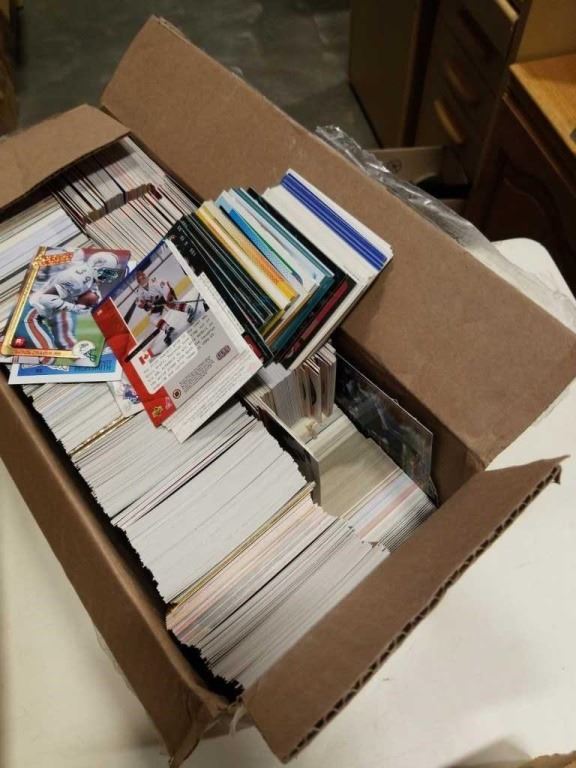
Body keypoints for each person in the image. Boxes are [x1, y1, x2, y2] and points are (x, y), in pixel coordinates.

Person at [26, 251, 120, 352]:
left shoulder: (87, 274)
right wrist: (74, 308)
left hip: (45, 310)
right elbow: (45, 299)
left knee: (64, 337)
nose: (107, 277)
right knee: (48, 353)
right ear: (97, 267)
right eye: (106, 272)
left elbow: (95, 294)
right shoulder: (76, 279)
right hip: (32, 312)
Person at [133, 269, 203, 348]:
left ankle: (189, 309)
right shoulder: (139, 291)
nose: (142, 281)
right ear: (139, 283)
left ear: (146, 277)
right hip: (156, 303)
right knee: (152, 318)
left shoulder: (154, 281)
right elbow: (138, 302)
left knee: (172, 304)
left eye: (143, 278)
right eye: (140, 280)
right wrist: (145, 305)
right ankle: (168, 328)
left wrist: (168, 299)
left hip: (165, 293)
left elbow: (165, 288)